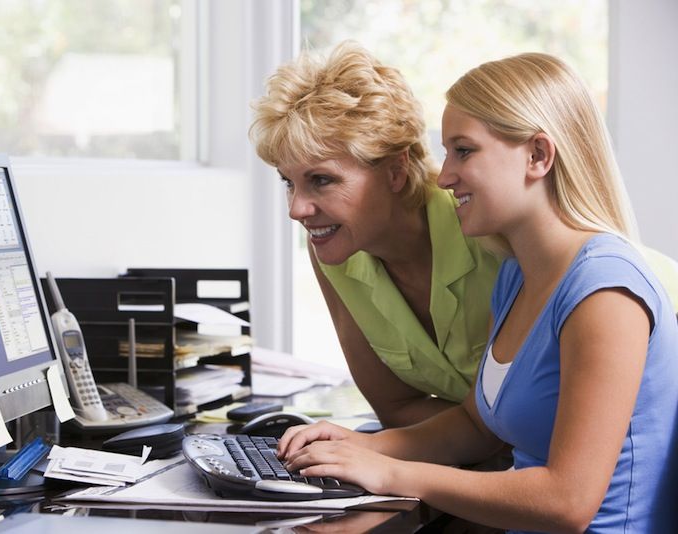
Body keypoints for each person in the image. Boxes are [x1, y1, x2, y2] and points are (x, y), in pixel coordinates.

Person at [277, 53, 678, 533]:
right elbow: (474, 426)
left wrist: (394, 472)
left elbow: (567, 503)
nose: (443, 176)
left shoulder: (603, 291)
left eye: (463, 151)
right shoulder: (516, 277)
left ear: (538, 156)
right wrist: (360, 446)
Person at [249, 41, 502, 427]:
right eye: (289, 182)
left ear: (396, 171)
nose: (296, 209)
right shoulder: (335, 255)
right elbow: (397, 408)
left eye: (321, 180)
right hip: (470, 465)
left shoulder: (489, 233)